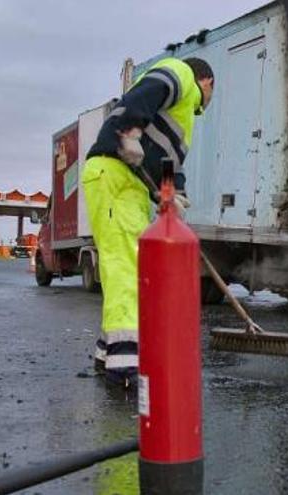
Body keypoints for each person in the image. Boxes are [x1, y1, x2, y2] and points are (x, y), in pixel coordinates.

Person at [82, 56, 214, 388]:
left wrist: (171, 196)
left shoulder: (183, 118)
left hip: (131, 187)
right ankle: (125, 366)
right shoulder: (182, 74)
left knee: (135, 269)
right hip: (115, 175)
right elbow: (148, 92)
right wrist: (129, 132)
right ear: (207, 81)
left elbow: (167, 162)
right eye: (213, 91)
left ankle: (108, 351)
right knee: (126, 267)